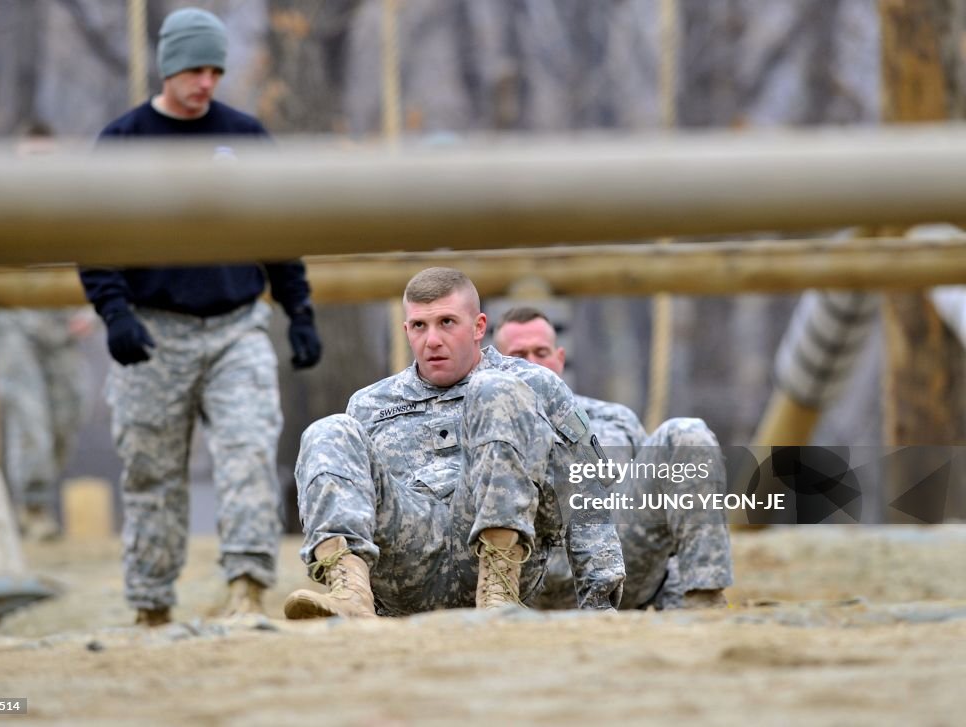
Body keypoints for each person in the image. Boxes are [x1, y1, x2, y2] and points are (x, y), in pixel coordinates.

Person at [78, 7, 321, 627]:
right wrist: (115, 314)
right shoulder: (123, 141)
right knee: (151, 471)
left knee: (247, 452)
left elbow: (279, 229)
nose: (206, 82)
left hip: (236, 324)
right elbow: (92, 236)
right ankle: (152, 603)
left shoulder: (243, 136)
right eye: (194, 69)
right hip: (154, 327)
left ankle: (246, 586)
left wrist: (298, 310)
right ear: (168, 68)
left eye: (216, 69)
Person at [282, 268, 625, 619]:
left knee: (496, 389)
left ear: (478, 327)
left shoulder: (534, 384)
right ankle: (350, 593)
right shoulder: (371, 403)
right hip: (406, 562)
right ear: (406, 331)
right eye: (419, 326)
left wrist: (600, 600)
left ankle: (497, 591)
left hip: (495, 558)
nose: (432, 340)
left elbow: (586, 487)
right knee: (328, 429)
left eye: (447, 322)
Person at [493, 306, 732, 609]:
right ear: (496, 368)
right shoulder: (479, 431)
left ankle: (705, 601)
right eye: (519, 356)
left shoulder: (615, 420)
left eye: (541, 352)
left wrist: (675, 605)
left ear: (560, 358)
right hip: (521, 586)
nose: (534, 365)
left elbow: (655, 517)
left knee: (687, 432)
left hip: (617, 577)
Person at [0, 121, 92, 541]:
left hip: (61, 326)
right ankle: (32, 507)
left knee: (70, 411)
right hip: (13, 324)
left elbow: (96, 260)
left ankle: (31, 496)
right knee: (29, 416)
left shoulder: (72, 207)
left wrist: (92, 309)